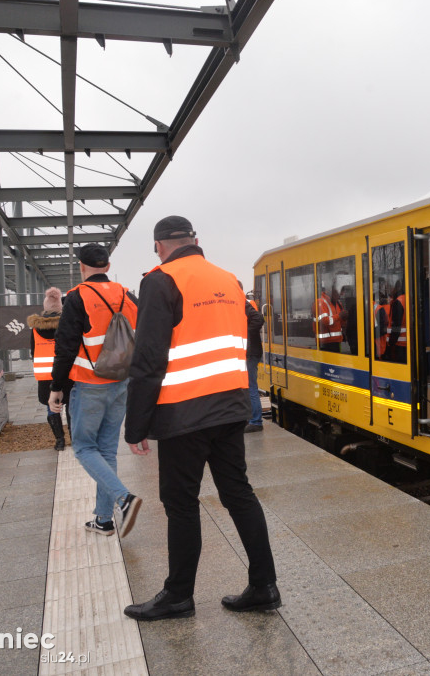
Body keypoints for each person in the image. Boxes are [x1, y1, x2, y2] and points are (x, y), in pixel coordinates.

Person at [123, 216, 279, 622]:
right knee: (238, 493)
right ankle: (264, 585)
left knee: (180, 503)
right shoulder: (228, 280)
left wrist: (136, 425)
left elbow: (148, 357)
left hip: (184, 412)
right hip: (230, 406)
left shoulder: (160, 280)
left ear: (158, 246)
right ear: (196, 240)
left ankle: (177, 595)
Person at [48, 243, 142, 537]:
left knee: (85, 448)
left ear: (81, 266)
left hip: (89, 385)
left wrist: (57, 389)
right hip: (121, 384)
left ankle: (123, 498)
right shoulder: (129, 296)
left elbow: (64, 348)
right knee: (106, 450)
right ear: (108, 267)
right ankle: (103, 520)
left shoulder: (77, 298)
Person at [28, 287, 72, 450]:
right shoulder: (68, 325)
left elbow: (33, 351)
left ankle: (59, 440)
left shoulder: (35, 329)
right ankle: (74, 437)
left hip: (45, 374)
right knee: (70, 406)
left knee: (51, 406)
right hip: (67, 372)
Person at [238, 280, 265, 433]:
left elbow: (259, 319)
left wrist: (246, 335)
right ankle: (250, 419)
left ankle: (256, 421)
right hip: (249, 351)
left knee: (251, 387)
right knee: (247, 386)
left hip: (250, 352)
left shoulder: (242, 303)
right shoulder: (242, 302)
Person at [386, 281, 407, 363]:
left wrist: (391, 343)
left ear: (398, 288)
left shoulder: (398, 302)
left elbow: (396, 326)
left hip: (399, 344)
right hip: (409, 343)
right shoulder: (407, 298)